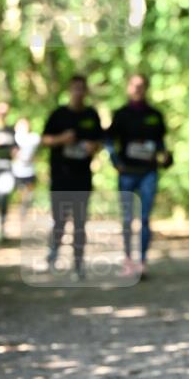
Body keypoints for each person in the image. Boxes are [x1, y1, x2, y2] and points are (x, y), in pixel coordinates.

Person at [107, 74, 171, 280]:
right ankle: (127, 261)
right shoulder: (120, 115)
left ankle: (141, 262)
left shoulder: (155, 115)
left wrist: (166, 157)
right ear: (128, 88)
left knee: (144, 219)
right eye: (134, 86)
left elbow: (161, 145)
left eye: (141, 86)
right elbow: (108, 141)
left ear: (146, 88)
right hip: (127, 174)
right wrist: (116, 162)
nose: (138, 89)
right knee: (127, 220)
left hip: (148, 174)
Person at [42, 74, 103, 280]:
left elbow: (100, 142)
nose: (78, 92)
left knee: (79, 223)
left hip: (82, 177)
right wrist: (62, 139)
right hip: (60, 176)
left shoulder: (92, 115)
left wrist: (92, 147)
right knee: (59, 219)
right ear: (70, 90)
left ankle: (78, 264)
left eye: (81, 88)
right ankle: (54, 254)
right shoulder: (58, 114)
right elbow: (45, 139)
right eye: (74, 88)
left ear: (85, 91)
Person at [0, 101, 16, 242]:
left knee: (3, 197)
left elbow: (15, 148)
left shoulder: (9, 129)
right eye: (0, 112)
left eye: (5, 112)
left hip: (6, 168)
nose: (2, 115)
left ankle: (2, 229)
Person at [12, 117, 41, 216]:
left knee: (28, 195)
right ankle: (21, 211)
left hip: (30, 171)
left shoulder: (33, 138)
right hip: (17, 171)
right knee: (20, 192)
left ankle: (25, 211)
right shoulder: (14, 138)